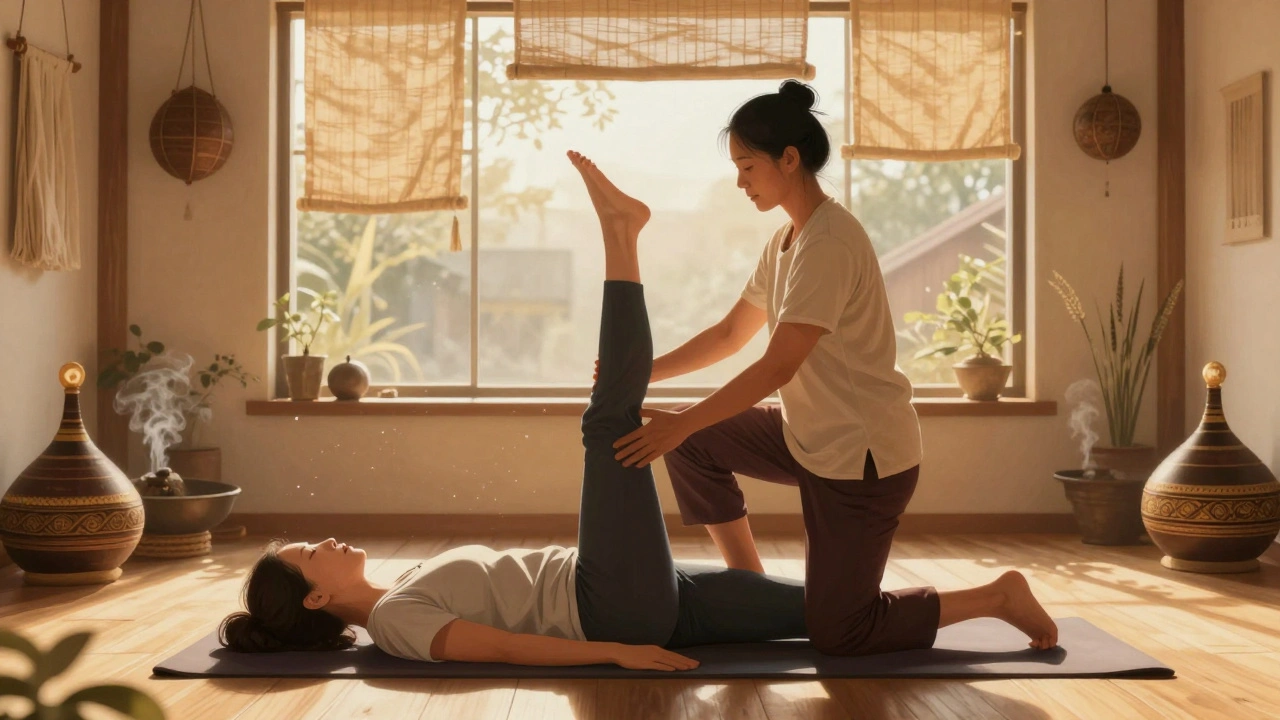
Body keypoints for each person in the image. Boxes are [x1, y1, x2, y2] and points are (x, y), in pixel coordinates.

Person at [219, 151, 1058, 670]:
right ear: (320, 602)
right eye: (309, 556)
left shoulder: (401, 588)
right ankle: (623, 234)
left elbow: (742, 335)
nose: (323, 541)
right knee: (612, 425)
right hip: (610, 602)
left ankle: (995, 597)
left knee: (830, 618)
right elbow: (510, 648)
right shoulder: (397, 622)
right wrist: (614, 652)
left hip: (638, 584)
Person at [608, 80, 1058, 657]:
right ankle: (753, 585)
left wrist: (683, 420)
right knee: (693, 443)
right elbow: (729, 335)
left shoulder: (830, 243)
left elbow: (776, 365)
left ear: (788, 160)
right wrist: (639, 378)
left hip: (861, 460)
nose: (740, 181)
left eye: (748, 166)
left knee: (839, 631)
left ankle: (996, 597)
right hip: (807, 435)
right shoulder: (786, 241)